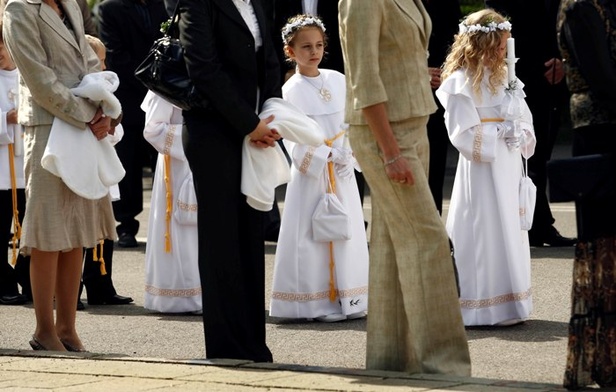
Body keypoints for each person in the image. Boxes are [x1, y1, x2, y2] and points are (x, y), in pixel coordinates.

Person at [339, 0, 470, 375]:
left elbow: (400, 52)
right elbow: (363, 78)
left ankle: (391, 360)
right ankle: (445, 366)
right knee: (426, 240)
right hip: (387, 133)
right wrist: (390, 151)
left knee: (394, 243)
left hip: (413, 122)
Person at [3, 0, 118, 351]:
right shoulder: (18, 9)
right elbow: (39, 79)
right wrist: (86, 112)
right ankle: (44, 330)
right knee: (49, 231)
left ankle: (67, 328)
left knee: (77, 231)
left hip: (84, 125)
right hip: (48, 125)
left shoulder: (69, 2)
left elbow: (87, 61)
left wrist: (104, 108)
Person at [178, 0, 282, 362]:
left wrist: (272, 112)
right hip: (213, 132)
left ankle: (254, 344)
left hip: (254, 129)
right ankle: (225, 346)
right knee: (222, 239)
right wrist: (248, 123)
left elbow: (269, 60)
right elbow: (203, 68)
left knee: (251, 233)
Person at [436, 9, 537, 327]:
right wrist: (498, 133)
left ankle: (511, 302)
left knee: (509, 228)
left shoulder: (507, 80)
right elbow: (461, 134)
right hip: (480, 173)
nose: (502, 53)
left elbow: (523, 117)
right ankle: (481, 306)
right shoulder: (459, 83)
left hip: (507, 165)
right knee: (485, 229)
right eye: (497, 46)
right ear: (481, 45)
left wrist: (521, 131)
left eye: (504, 47)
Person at [269, 15, 368, 323]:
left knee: (346, 229)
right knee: (311, 234)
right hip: (313, 173)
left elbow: (352, 121)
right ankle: (313, 302)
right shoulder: (290, 90)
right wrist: (325, 154)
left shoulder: (338, 79)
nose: (314, 52)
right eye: (306, 47)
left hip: (342, 166)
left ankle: (350, 296)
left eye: (319, 45)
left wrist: (348, 153)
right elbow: (290, 137)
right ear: (290, 51)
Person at [557, 1, 616, 388]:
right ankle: (602, 360)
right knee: (603, 249)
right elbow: (602, 76)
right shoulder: (579, 7)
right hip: (600, 134)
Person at [486, 0, 576, 248]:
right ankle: (529, 225)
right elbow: (497, 26)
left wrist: (561, 61)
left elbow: (562, 24)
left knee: (540, 155)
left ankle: (538, 224)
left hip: (552, 78)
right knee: (524, 155)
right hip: (516, 78)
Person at [97, 0, 168, 248]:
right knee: (128, 162)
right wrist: (150, 80)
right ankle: (126, 225)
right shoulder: (110, 9)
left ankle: (169, 221)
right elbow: (115, 53)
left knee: (164, 160)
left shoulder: (165, 5)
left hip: (165, 96)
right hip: (129, 96)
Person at [80, 34, 133, 308]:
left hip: (104, 166)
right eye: (95, 61)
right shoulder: (81, 90)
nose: (101, 67)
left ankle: (101, 285)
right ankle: (73, 288)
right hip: (84, 167)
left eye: (103, 61)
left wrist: (111, 126)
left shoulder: (106, 89)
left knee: (104, 230)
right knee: (81, 232)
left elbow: (117, 131)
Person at [141, 90, 201, 314]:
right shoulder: (167, 77)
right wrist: (196, 137)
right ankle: (179, 296)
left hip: (209, 161)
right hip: (177, 165)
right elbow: (153, 129)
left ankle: (209, 294)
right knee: (180, 233)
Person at [423, 0, 462, 214]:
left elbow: (453, 38)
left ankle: (435, 226)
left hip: (441, 89)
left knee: (436, 163)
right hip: (406, 93)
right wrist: (420, 71)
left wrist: (449, 71)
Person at [0, 26, 27, 306]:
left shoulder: (26, 77)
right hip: (0, 169)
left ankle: (27, 278)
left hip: (25, 166)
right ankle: (4, 282)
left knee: (30, 229)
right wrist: (6, 117)